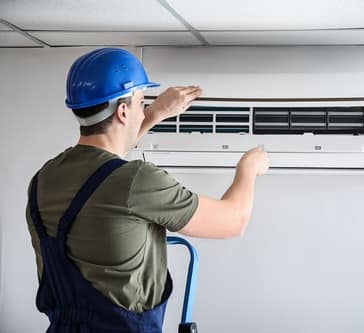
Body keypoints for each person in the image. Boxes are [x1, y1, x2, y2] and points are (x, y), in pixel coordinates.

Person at [25, 47, 269, 332]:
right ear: (123, 111)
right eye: (141, 103)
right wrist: (248, 169)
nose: (144, 111)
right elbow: (233, 221)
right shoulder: (136, 180)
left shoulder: (44, 178)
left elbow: (105, 164)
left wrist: (153, 114)